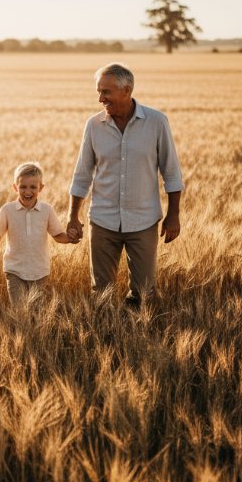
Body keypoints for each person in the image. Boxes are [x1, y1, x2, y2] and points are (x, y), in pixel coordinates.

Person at [66, 63, 184, 305]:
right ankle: (107, 337)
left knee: (144, 292)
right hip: (102, 220)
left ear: (126, 90)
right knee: (101, 292)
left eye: (106, 92)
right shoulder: (93, 125)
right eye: (99, 91)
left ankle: (137, 336)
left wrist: (174, 215)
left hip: (143, 221)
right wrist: (73, 216)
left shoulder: (156, 122)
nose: (100, 98)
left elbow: (171, 173)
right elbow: (82, 175)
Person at [0, 162, 75, 305]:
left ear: (41, 188)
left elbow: (58, 235)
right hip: (14, 270)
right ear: (15, 187)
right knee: (19, 311)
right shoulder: (7, 210)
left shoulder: (47, 210)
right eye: (23, 187)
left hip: (39, 270)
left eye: (33, 187)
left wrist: (70, 238)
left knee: (37, 312)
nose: (27, 191)